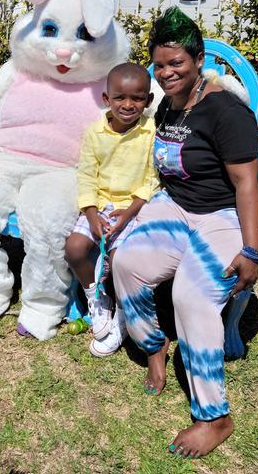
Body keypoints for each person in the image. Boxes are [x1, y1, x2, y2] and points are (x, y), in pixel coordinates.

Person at [111, 7, 258, 458]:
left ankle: (214, 417)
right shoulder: (168, 104)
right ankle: (154, 347)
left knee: (191, 295)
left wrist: (251, 250)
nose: (166, 73)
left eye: (177, 63)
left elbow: (247, 184)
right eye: (159, 65)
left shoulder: (226, 111)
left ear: (199, 60)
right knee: (126, 262)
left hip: (234, 215)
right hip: (181, 207)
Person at [64, 63, 159, 357]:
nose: (128, 105)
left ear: (148, 101)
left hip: (134, 208)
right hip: (100, 205)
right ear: (107, 99)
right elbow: (86, 175)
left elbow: (152, 177)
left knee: (121, 260)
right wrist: (91, 214)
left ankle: (122, 312)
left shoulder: (151, 132)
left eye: (137, 98)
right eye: (120, 97)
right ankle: (97, 298)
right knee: (75, 248)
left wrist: (129, 212)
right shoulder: (95, 133)